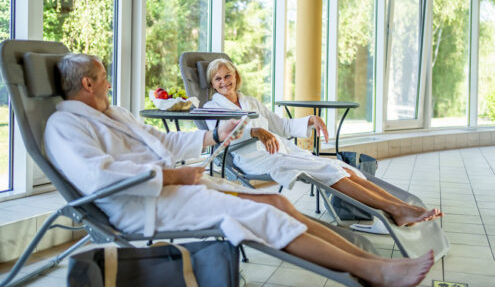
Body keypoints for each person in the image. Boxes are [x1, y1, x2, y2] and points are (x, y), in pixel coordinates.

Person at [44, 53, 434, 287]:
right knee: (260, 214)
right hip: (141, 205)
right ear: (87, 82)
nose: (109, 82)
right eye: (104, 76)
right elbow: (99, 179)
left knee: (277, 201)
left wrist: (213, 137)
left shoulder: (115, 114)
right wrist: (172, 176)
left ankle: (375, 266)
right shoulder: (65, 125)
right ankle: (376, 273)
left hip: (175, 189)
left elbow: (160, 141)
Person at [204, 58, 442, 227]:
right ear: (212, 84)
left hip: (282, 151)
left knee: (343, 168)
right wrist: (255, 131)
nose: (224, 81)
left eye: (228, 75)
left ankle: (402, 207)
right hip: (255, 160)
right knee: (329, 168)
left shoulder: (252, 102)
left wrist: (310, 119)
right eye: (218, 78)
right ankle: (397, 211)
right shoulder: (209, 109)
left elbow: (282, 126)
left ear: (236, 76)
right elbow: (220, 137)